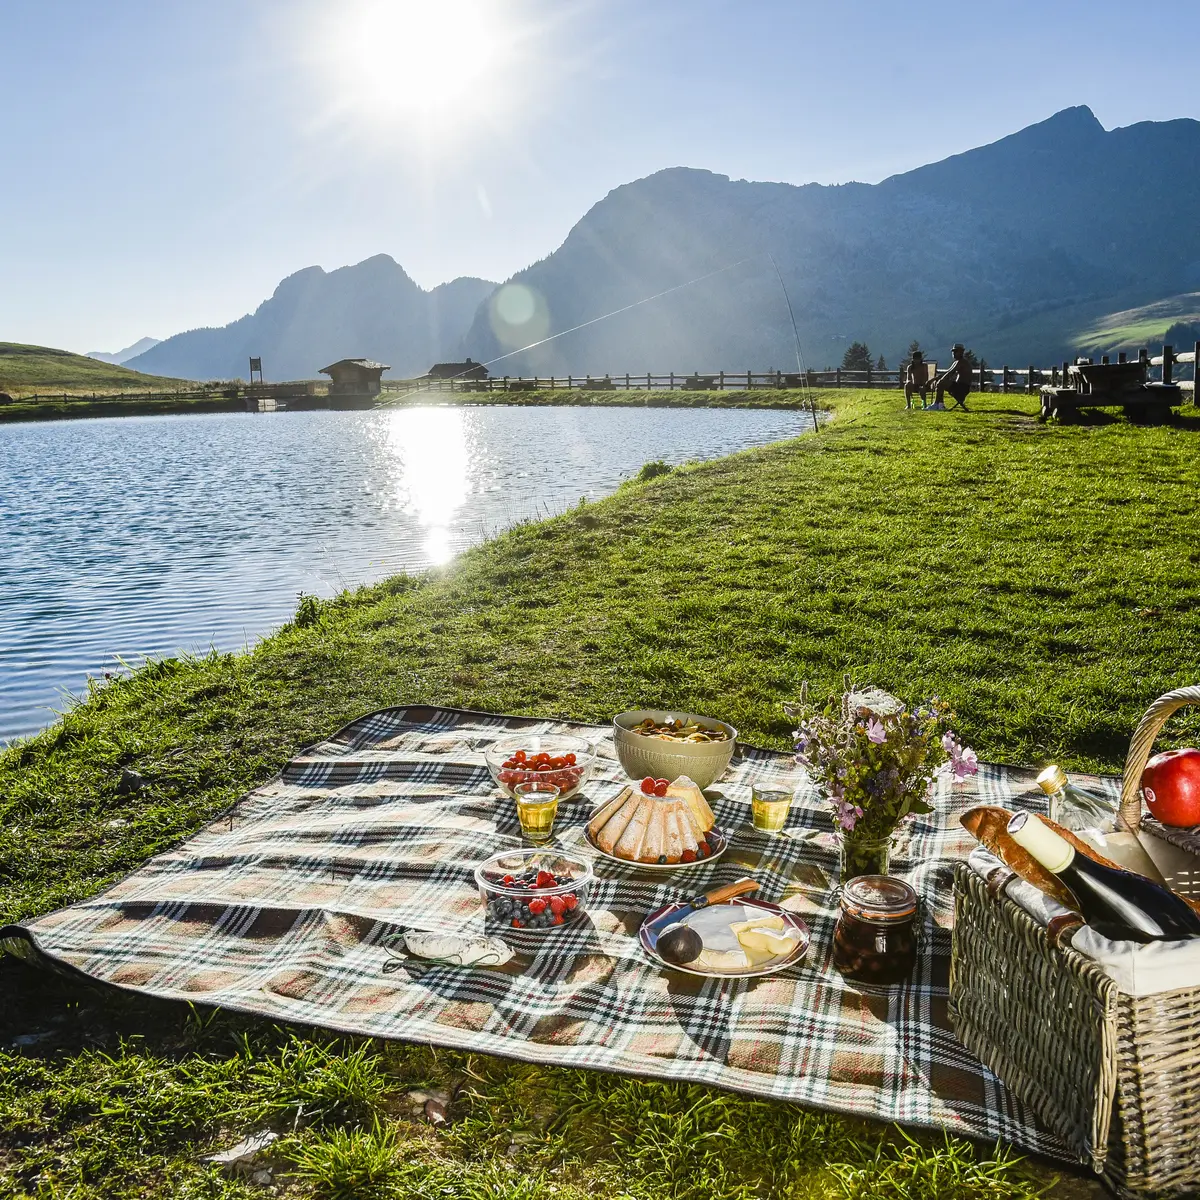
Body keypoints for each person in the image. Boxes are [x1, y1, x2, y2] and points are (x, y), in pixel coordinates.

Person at [932, 344, 972, 410]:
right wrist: (933, 379)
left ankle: (936, 404)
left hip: (962, 388)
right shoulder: (956, 362)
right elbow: (947, 372)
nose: (954, 353)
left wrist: (940, 381)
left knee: (941, 383)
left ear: (961, 352)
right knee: (940, 382)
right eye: (953, 351)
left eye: (956, 351)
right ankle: (941, 405)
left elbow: (950, 373)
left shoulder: (962, 362)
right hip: (957, 386)